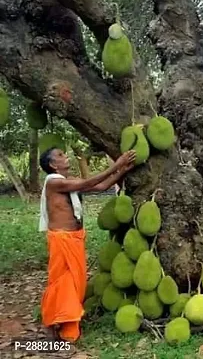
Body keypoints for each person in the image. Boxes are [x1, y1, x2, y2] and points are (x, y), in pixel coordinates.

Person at [38, 146, 136, 343]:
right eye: (60, 155)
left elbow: (99, 187)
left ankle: (67, 329)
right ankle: (50, 323)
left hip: (74, 238)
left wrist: (123, 171)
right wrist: (116, 164)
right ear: (52, 164)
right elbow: (89, 181)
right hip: (62, 238)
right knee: (60, 283)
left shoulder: (66, 181)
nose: (65, 157)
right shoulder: (53, 182)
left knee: (75, 284)